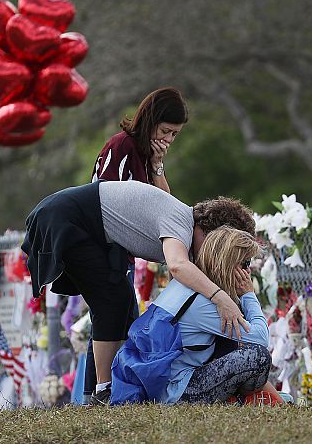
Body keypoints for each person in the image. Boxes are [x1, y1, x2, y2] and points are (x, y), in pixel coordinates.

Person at [21, 180, 255, 405]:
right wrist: (221, 298)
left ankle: (109, 387)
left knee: (121, 302)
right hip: (65, 218)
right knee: (111, 302)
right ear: (212, 234)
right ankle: (103, 391)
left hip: (79, 224)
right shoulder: (181, 223)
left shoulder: (181, 223)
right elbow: (178, 266)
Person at [84, 87, 188, 400]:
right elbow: (106, 199)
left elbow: (166, 206)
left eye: (175, 135)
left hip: (123, 252)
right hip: (101, 246)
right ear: (151, 120)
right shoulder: (122, 146)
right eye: (165, 131)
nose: (168, 139)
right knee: (109, 317)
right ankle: (96, 393)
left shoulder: (147, 155)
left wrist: (157, 165)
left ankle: (111, 391)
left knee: (122, 317)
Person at [124, 226, 280, 404]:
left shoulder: (185, 285)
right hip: (174, 392)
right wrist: (248, 295)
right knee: (258, 357)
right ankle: (241, 400)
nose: (248, 271)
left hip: (159, 383)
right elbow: (260, 339)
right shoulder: (205, 302)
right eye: (245, 264)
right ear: (229, 264)